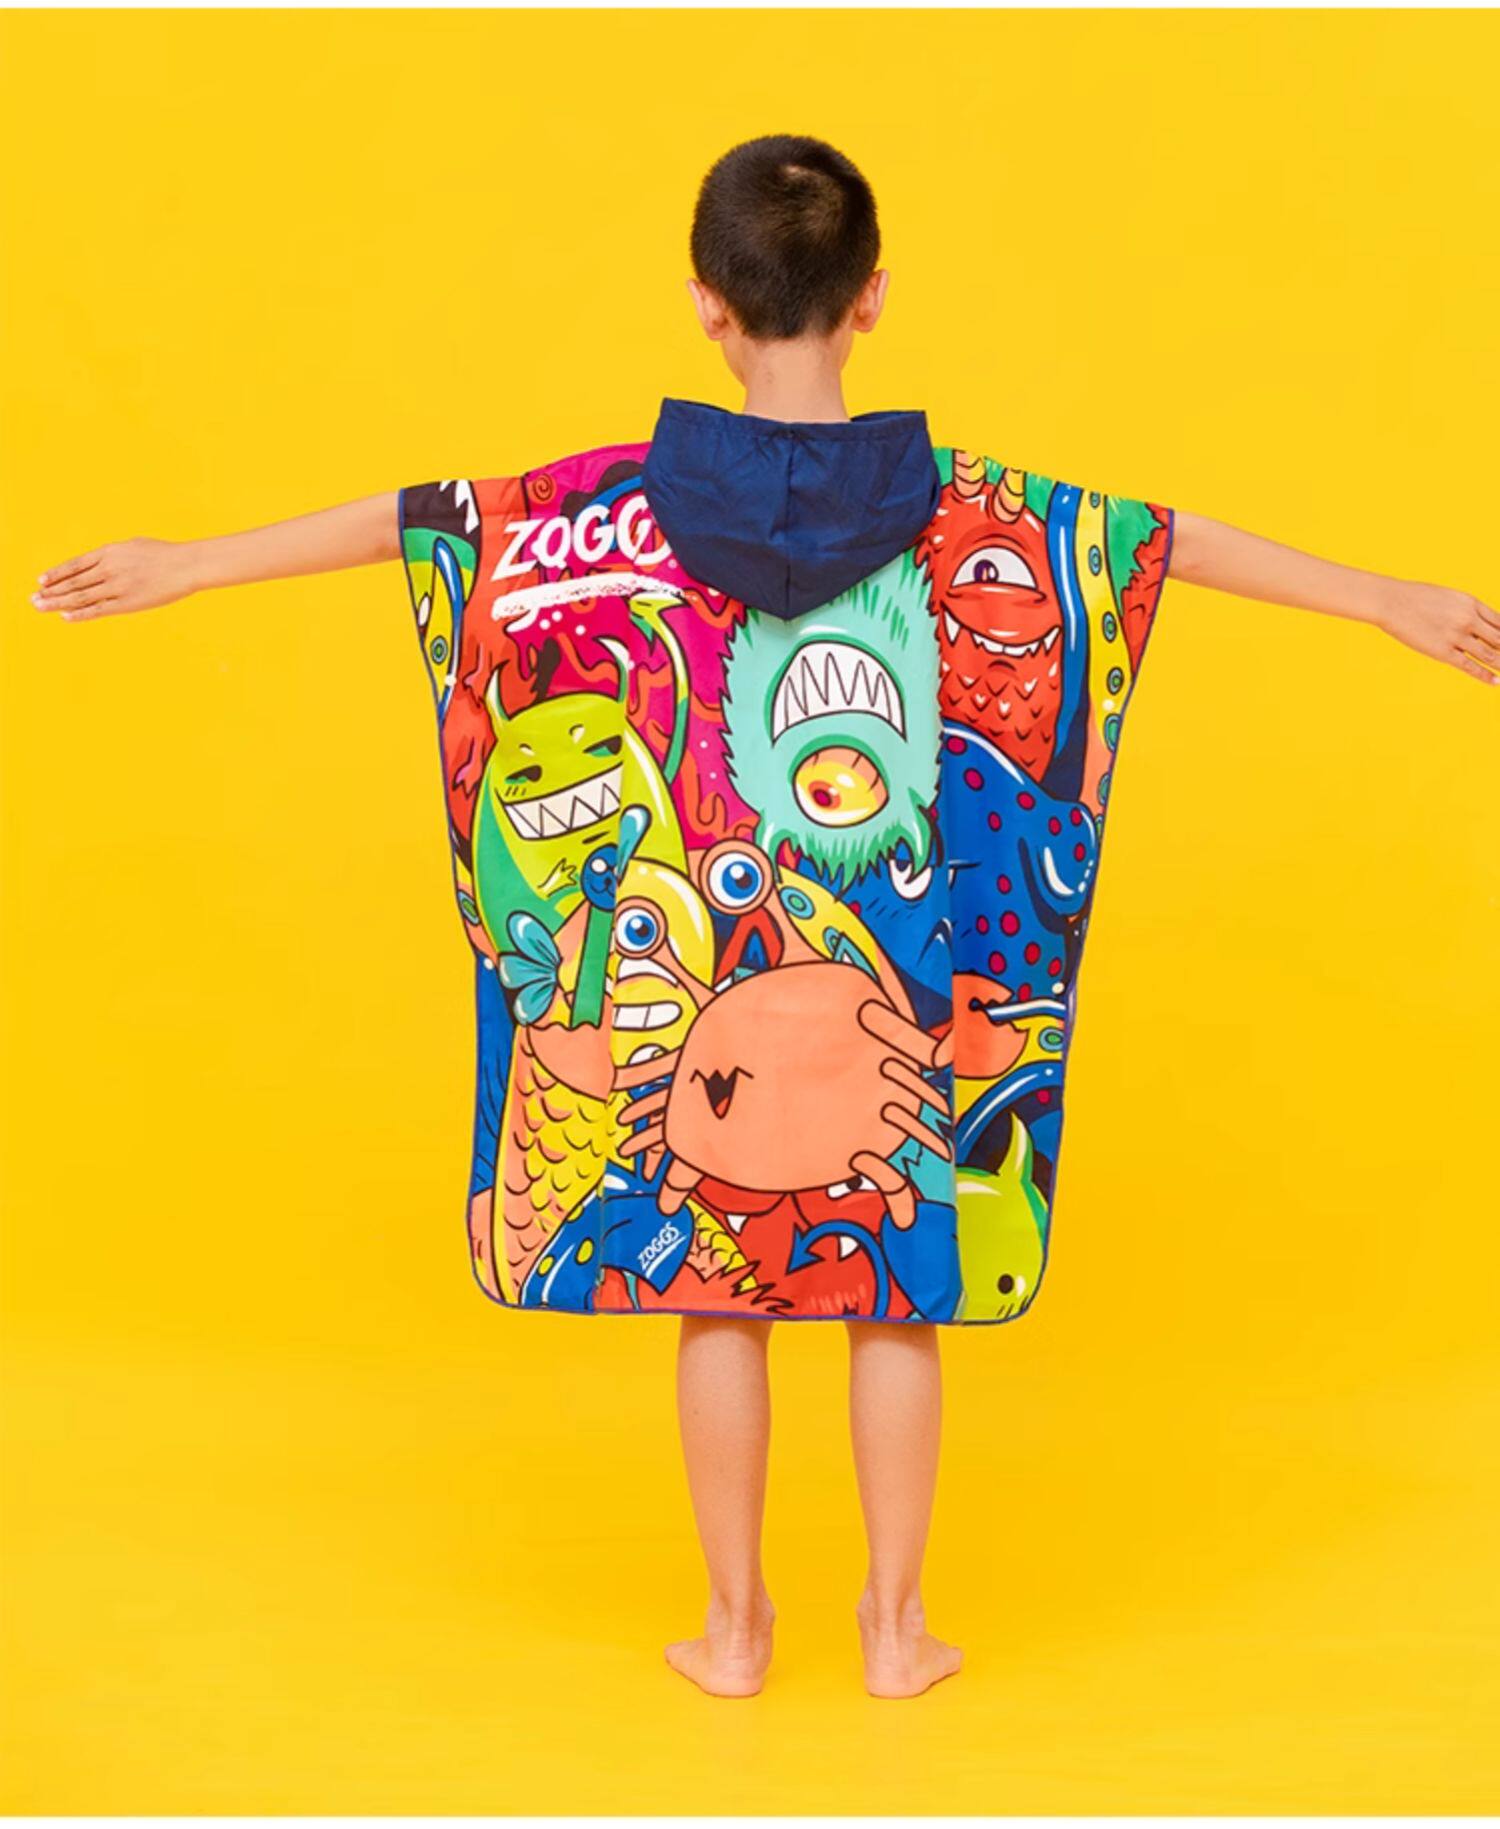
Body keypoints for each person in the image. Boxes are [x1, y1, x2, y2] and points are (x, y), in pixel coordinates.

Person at [31, 134, 1498, 1703]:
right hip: (895, 967)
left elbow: (420, 521)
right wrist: (1386, 599)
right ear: (872, 299)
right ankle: (896, 1631)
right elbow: (1162, 543)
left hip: (705, 981)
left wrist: (191, 564)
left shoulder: (594, 505)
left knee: (712, 1288)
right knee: (895, 1295)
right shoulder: (973, 509)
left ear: (706, 304)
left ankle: (733, 1631)